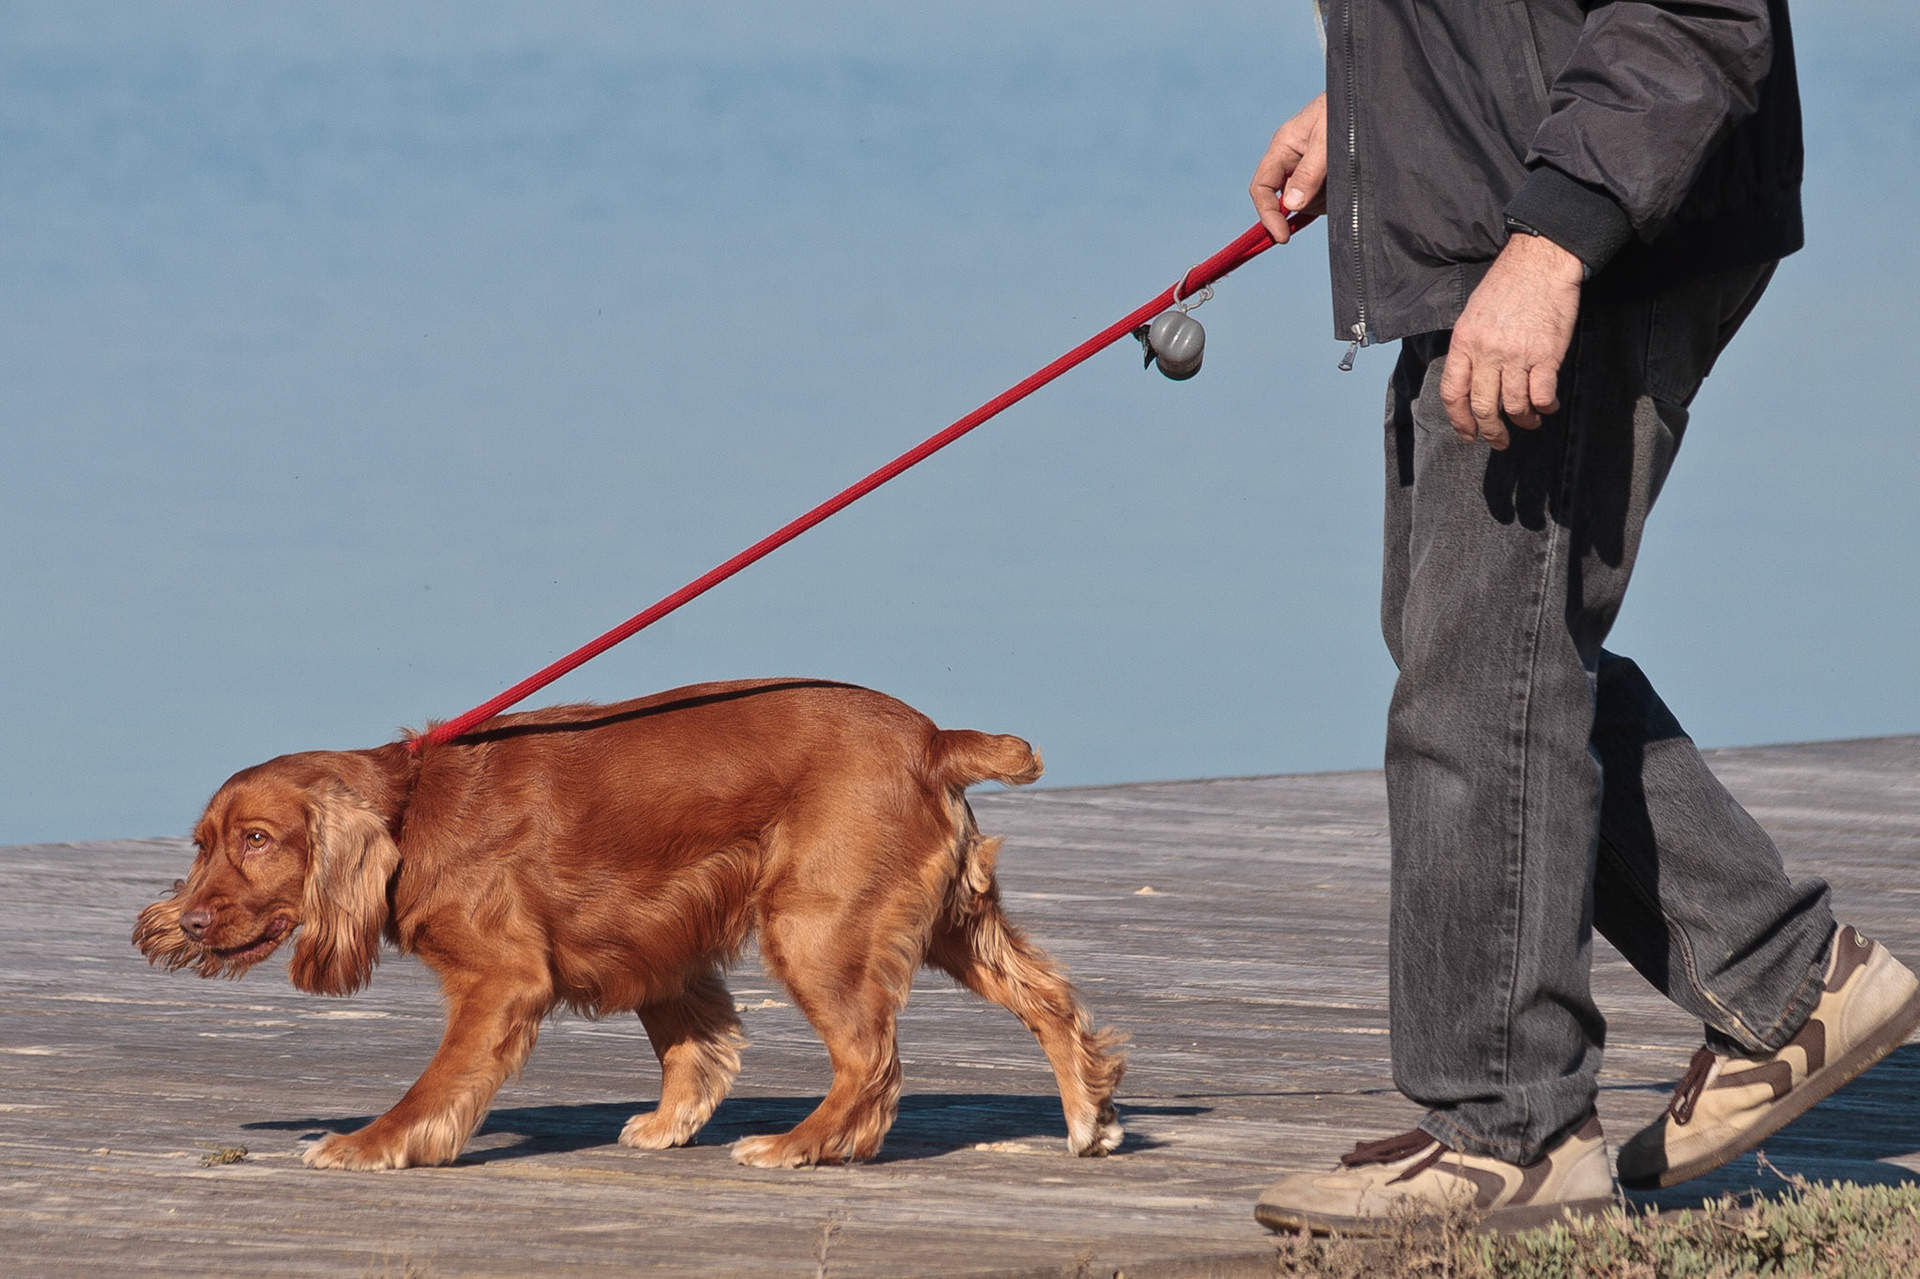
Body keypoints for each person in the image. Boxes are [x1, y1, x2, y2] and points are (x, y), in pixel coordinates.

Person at [1244, 0, 1920, 1235]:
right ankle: (1786, 979)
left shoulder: (1563, 236)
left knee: (1478, 680)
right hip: (1513, 193)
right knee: (1473, 651)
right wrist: (1384, 99)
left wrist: (1554, 242)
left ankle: (1511, 1133)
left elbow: (1693, 12)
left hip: (1587, 238)